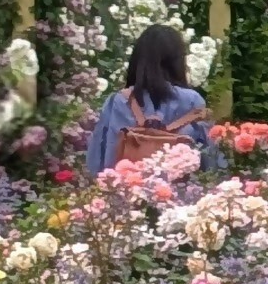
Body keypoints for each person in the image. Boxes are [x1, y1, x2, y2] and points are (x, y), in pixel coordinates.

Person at [83, 25, 214, 181]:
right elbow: (210, 164)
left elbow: (96, 162)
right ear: (178, 61)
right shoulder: (193, 103)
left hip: (124, 190)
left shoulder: (118, 101)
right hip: (181, 194)